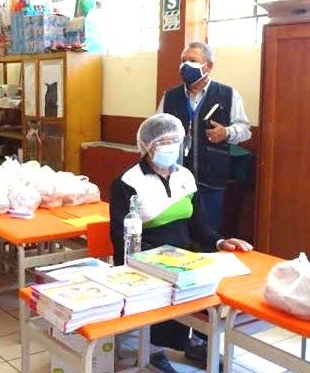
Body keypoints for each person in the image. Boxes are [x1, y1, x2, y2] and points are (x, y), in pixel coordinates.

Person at [110, 113, 252, 373]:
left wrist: (220, 241)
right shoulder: (128, 182)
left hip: (183, 258)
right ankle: (154, 351)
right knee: (170, 286)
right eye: (163, 141)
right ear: (147, 145)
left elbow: (199, 226)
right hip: (144, 260)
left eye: (175, 140)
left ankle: (196, 341)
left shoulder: (185, 176)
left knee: (211, 284)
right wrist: (152, 262)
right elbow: (121, 239)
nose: (170, 146)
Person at [157, 42, 251, 232]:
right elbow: (156, 129)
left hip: (212, 179)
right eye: (183, 60)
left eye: (192, 60)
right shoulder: (170, 96)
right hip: (175, 178)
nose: (185, 65)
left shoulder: (228, 95)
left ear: (209, 66)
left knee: (208, 231)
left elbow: (245, 130)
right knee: (177, 230)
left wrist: (226, 132)